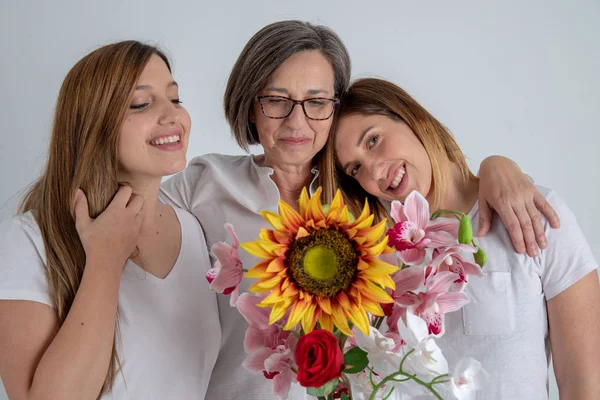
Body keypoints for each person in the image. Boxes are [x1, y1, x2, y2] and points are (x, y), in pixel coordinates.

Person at [159, 20, 560, 399]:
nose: (297, 120)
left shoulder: (369, 200)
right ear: (250, 106)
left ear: (334, 109)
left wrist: (496, 166)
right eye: (277, 101)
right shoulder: (204, 185)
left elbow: (445, 194)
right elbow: (133, 215)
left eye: (316, 101)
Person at [325, 77, 600, 399]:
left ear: (411, 118)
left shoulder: (532, 214)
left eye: (373, 140)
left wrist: (495, 164)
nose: (373, 172)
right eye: (355, 168)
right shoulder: (374, 263)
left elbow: (584, 384)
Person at [0, 41, 220, 399]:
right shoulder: (28, 241)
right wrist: (104, 261)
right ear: (93, 124)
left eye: (175, 99)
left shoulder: (193, 230)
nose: (173, 116)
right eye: (140, 103)